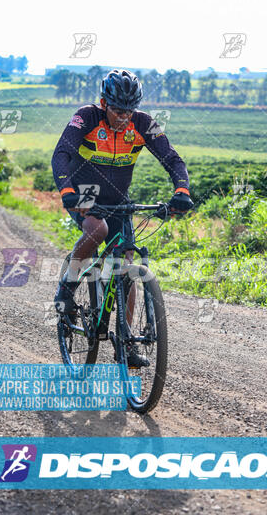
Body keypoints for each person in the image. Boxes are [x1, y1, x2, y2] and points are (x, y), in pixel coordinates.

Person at [51, 69, 194, 367]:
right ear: (104, 103)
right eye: (117, 110)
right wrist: (67, 191)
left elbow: (172, 159)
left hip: (118, 199)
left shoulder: (143, 124)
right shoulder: (87, 117)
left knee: (127, 268)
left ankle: (126, 342)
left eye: (129, 110)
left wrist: (181, 190)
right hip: (84, 192)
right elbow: (62, 153)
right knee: (97, 229)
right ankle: (67, 286)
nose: (123, 117)